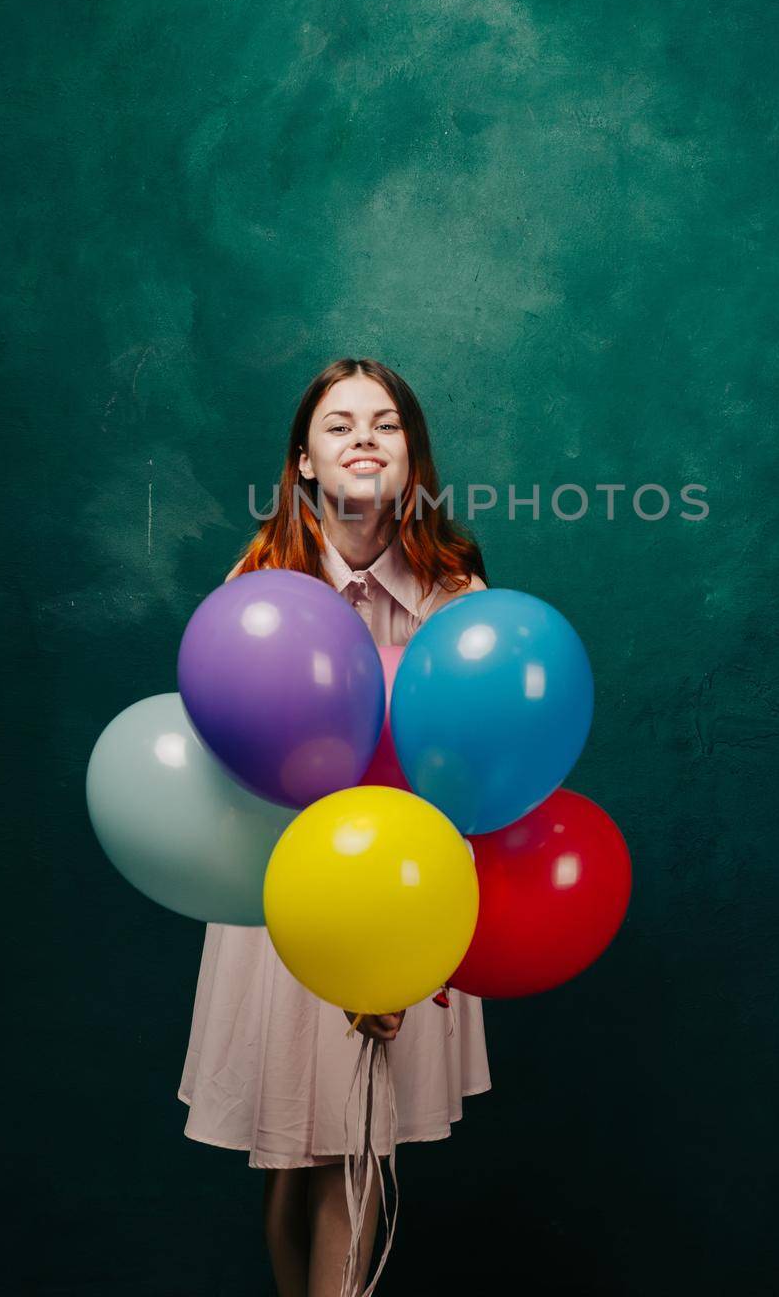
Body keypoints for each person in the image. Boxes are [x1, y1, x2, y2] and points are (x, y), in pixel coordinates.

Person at [177, 356, 492, 1297]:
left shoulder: (454, 590)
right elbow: (223, 765)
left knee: (354, 1155)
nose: (364, 436)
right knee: (288, 1162)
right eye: (339, 423)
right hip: (278, 896)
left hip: (402, 894)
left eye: (386, 423)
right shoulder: (258, 581)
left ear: (411, 457)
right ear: (304, 462)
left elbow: (467, 772)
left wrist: (399, 953)